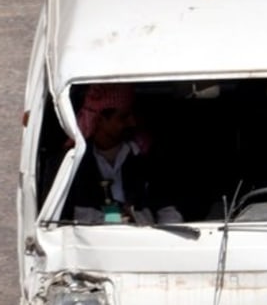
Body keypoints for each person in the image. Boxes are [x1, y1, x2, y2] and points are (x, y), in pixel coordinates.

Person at [62, 83, 182, 223]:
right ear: (100, 120)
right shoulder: (73, 163)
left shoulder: (147, 156)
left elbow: (168, 210)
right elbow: (64, 220)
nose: (132, 123)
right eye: (123, 117)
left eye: (132, 114)